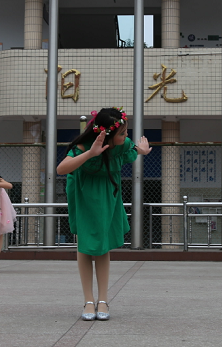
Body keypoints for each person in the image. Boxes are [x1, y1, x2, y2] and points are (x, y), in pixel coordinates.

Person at [56, 108, 152, 321]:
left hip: (108, 193)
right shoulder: (83, 146)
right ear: (107, 134)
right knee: (86, 243)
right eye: (122, 132)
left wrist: (142, 151)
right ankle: (88, 300)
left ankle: (103, 300)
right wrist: (90, 153)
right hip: (84, 194)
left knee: (102, 245)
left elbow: (131, 151)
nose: (126, 135)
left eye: (126, 131)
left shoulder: (122, 145)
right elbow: (61, 169)